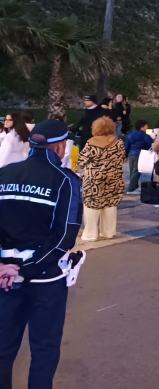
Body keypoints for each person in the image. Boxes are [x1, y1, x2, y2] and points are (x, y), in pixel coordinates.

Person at [0, 119, 83, 389]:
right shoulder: (66, 181)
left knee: (2, 348)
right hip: (45, 279)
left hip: (5, 278)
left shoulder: (5, 173)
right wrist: (25, 269)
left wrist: (7, 266)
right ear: (60, 147)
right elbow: (64, 237)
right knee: (44, 349)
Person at [77, 117, 126, 242]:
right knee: (110, 205)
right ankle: (108, 232)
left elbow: (81, 161)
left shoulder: (91, 143)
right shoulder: (118, 142)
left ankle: (90, 234)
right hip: (113, 178)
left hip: (94, 180)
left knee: (92, 206)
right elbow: (121, 159)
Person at [124, 119, 153, 193]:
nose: (147, 127)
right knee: (136, 171)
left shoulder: (130, 134)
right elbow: (150, 144)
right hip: (140, 154)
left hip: (131, 154)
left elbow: (126, 145)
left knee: (132, 171)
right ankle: (131, 188)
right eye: (146, 126)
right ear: (142, 127)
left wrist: (125, 155)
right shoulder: (144, 136)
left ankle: (134, 186)